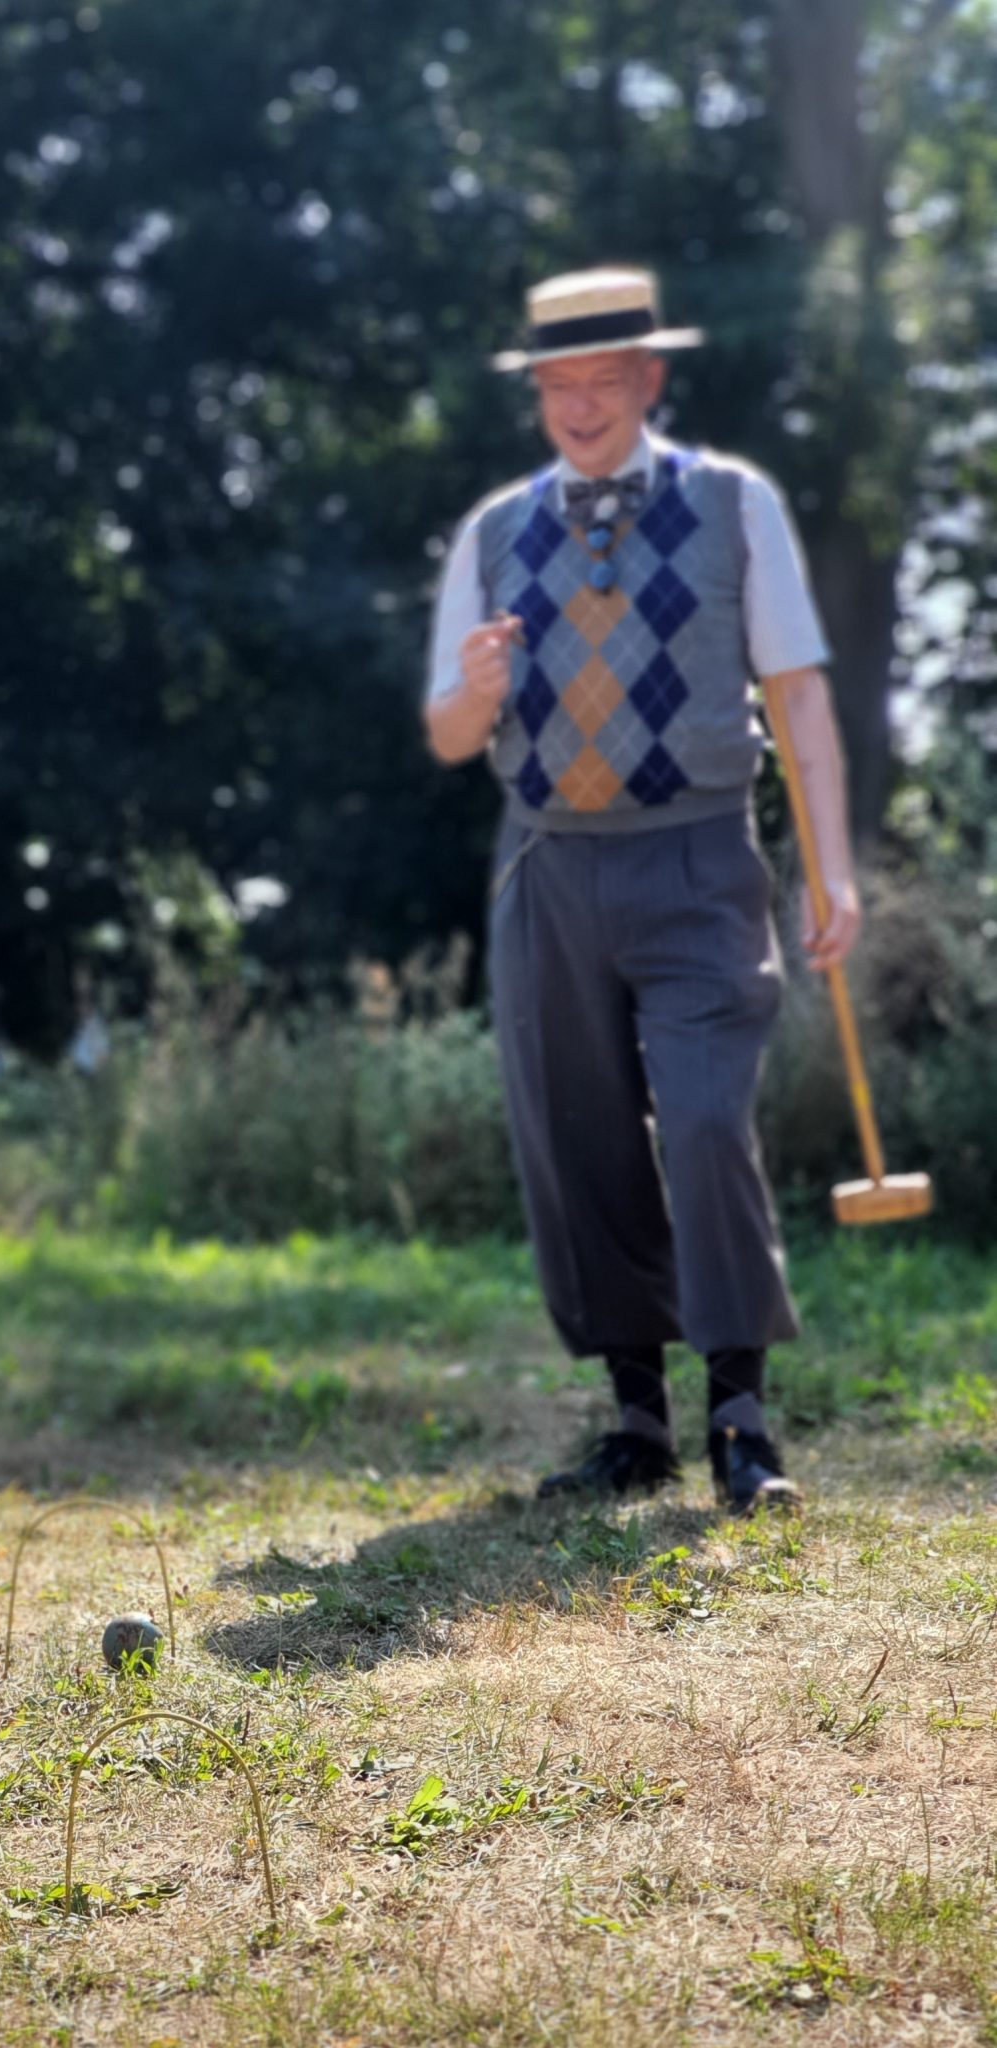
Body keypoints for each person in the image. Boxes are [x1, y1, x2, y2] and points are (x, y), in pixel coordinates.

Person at [425, 267, 862, 1514]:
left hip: (698, 853)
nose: (577, 404)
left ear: (648, 380)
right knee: (580, 1131)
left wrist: (832, 865)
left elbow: (801, 694)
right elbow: (453, 735)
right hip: (546, 859)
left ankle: (740, 1412)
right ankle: (633, 1416)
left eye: (601, 380)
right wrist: (471, 687)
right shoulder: (495, 531)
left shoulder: (734, 505)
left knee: (711, 1117)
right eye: (556, 383)